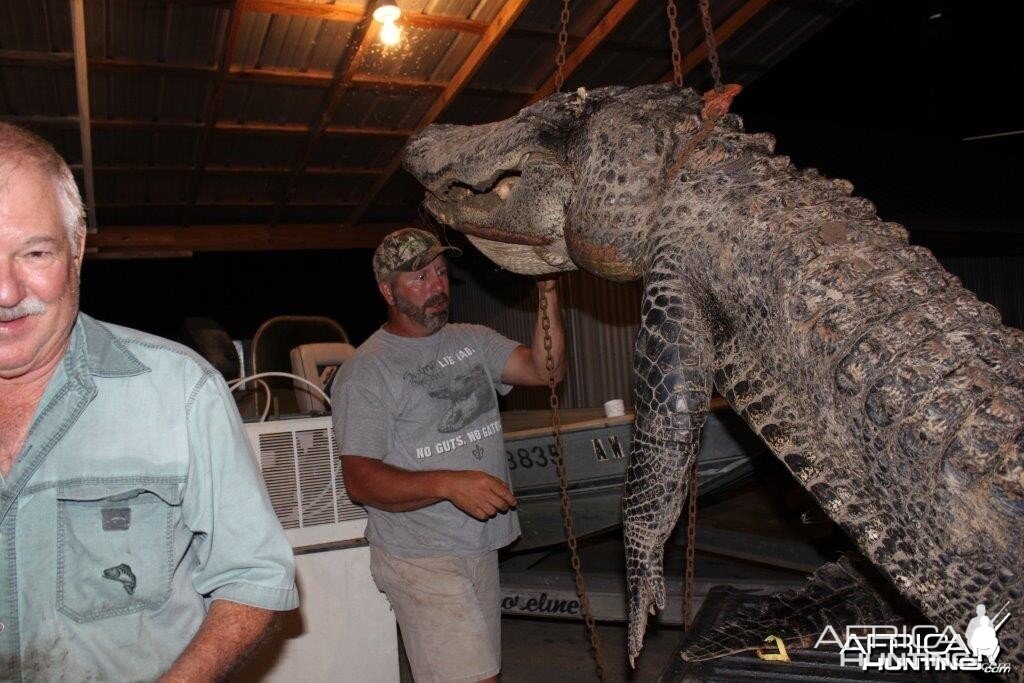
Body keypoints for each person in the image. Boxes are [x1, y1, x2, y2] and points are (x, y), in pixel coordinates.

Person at [0, 123, 298, 680]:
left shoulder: (180, 392)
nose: (6, 292)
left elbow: (254, 575)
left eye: (34, 252)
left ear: (77, 250)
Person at [331, 227, 565, 683]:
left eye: (440, 272)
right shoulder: (367, 371)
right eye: (418, 277)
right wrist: (449, 484)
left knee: (483, 671)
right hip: (420, 556)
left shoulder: (471, 339)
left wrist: (547, 289)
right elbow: (359, 478)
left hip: (477, 546)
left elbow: (545, 369)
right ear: (386, 291)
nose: (436, 286)